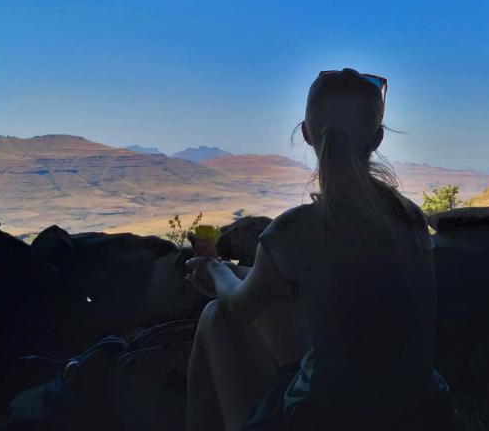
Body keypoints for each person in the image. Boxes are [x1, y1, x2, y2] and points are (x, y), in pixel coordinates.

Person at [185, 68, 452, 431]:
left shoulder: (295, 230)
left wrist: (215, 270)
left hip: (324, 420)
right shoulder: (410, 220)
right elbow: (330, 287)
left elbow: (242, 305)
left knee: (216, 316)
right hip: (422, 413)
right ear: (376, 139)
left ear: (307, 134)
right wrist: (238, 272)